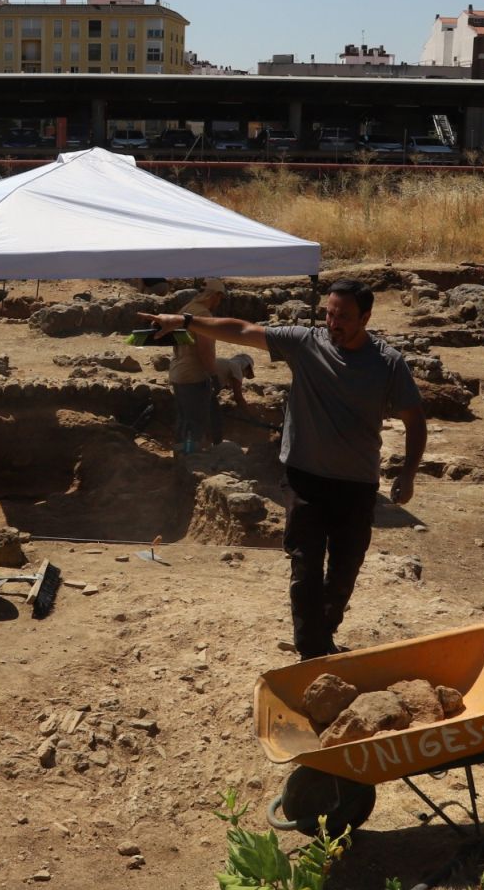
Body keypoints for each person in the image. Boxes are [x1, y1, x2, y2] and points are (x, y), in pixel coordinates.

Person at [142, 278, 426, 660]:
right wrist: (184, 321)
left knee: (344, 572)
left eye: (343, 317)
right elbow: (243, 331)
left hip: (356, 484)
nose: (333, 323)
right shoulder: (306, 343)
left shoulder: (387, 363)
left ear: (366, 317)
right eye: (329, 313)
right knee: (305, 566)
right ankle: (311, 651)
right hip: (304, 478)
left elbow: (415, 420)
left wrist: (408, 473)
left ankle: (322, 635)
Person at [167, 278, 225, 455]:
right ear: (216, 295)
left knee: (184, 418)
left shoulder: (186, 309)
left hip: (177, 371)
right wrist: (214, 375)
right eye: (220, 298)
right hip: (194, 375)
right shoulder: (203, 315)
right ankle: (190, 458)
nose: (220, 302)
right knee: (195, 421)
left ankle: (180, 456)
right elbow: (205, 350)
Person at [208, 351, 256, 445]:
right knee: (216, 417)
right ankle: (217, 446)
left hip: (193, 383)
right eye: (247, 372)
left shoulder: (226, 364)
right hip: (202, 389)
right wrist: (250, 416)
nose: (244, 376)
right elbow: (238, 397)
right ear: (246, 367)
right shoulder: (236, 368)